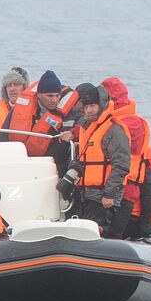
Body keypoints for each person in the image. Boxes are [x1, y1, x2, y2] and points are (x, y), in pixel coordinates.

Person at [56, 82, 130, 235]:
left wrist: (110, 194)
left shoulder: (113, 130)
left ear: (101, 105)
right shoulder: (88, 128)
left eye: (93, 106)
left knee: (98, 234)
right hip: (86, 195)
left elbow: (121, 164)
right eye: (86, 107)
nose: (89, 111)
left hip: (103, 198)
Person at [100, 77, 151, 240]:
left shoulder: (126, 123)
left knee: (114, 236)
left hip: (124, 190)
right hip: (124, 188)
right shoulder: (128, 120)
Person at [0, 68, 33, 144]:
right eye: (8, 85)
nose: (12, 89)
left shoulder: (35, 111)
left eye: (16, 84)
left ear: (25, 87)